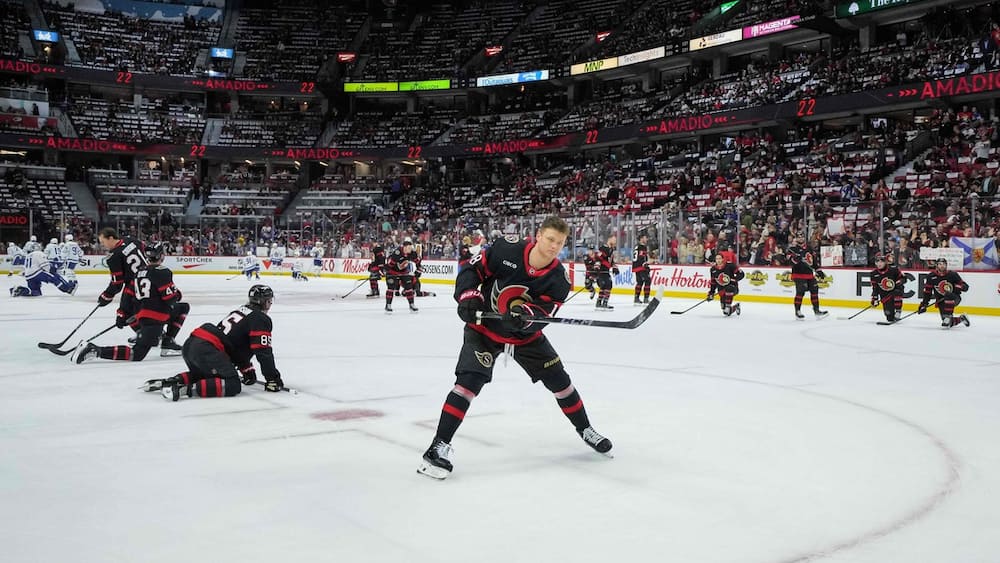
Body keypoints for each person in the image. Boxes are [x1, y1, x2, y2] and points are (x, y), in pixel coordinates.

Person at [417, 216, 612, 480]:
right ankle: (438, 446)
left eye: (561, 242)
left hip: (525, 339)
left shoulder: (559, 279)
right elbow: (472, 270)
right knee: (468, 383)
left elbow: (545, 312)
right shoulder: (506, 249)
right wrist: (467, 295)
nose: (554, 246)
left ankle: (586, 429)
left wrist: (526, 316)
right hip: (484, 329)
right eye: (551, 239)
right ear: (539, 235)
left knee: (561, 383)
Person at [144, 285, 286, 401]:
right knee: (232, 384)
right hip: (207, 349)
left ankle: (171, 381)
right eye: (269, 300)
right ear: (265, 302)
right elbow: (263, 351)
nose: (270, 304)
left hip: (194, 344)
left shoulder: (241, 310)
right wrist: (272, 379)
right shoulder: (260, 318)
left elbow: (230, 340)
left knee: (209, 376)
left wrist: (246, 369)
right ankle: (184, 390)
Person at [75, 243, 188, 362]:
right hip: (155, 319)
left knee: (183, 307)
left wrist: (122, 314)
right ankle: (95, 350)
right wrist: (178, 294)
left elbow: (128, 295)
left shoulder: (139, 272)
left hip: (141, 315)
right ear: (161, 256)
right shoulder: (163, 272)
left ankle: (167, 341)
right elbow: (170, 298)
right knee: (137, 354)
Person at [95, 227, 148, 330]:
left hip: (134, 285)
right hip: (150, 278)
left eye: (103, 242)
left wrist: (106, 296)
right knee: (148, 308)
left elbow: (117, 284)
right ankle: (155, 334)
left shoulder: (113, 256)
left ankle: (143, 335)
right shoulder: (131, 240)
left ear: (110, 238)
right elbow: (143, 247)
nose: (103, 245)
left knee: (126, 313)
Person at [918, 258, 970, 328]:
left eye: (944, 264)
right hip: (941, 301)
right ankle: (961, 318)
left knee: (948, 295)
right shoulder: (931, 276)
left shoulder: (953, 274)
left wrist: (959, 287)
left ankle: (948, 316)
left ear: (946, 265)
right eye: (940, 264)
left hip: (954, 298)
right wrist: (924, 304)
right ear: (936, 265)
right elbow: (927, 292)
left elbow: (966, 287)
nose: (942, 266)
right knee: (947, 323)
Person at [788, 235, 827, 319]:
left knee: (814, 290)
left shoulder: (809, 249)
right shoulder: (792, 249)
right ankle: (798, 311)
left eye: (802, 236)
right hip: (798, 274)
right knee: (801, 291)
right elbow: (789, 262)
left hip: (809, 274)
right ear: (796, 238)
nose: (800, 238)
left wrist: (818, 270)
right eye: (799, 236)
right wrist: (796, 259)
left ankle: (816, 310)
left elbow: (814, 262)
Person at [9, 250, 77, 297]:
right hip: (36, 273)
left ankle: (19, 290)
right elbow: (46, 267)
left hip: (28, 276)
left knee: (36, 293)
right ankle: (67, 289)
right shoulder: (40, 254)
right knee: (53, 278)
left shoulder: (29, 255)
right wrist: (54, 270)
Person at [384, 238, 419, 313]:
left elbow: (418, 262)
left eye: (411, 247)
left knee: (409, 287)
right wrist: (386, 271)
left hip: (404, 272)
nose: (410, 249)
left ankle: (412, 304)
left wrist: (419, 270)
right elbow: (391, 264)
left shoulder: (412, 253)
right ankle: (388, 305)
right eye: (408, 248)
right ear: (404, 247)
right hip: (393, 271)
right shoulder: (397, 252)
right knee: (391, 288)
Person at [869, 252, 905, 323]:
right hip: (885, 295)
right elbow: (875, 287)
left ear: (885, 262)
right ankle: (891, 315)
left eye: (881, 261)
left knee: (897, 292)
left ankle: (898, 310)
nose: (879, 263)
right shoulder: (873, 274)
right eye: (877, 261)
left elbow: (903, 278)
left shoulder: (893, 269)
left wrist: (899, 282)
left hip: (895, 291)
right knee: (889, 317)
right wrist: (874, 298)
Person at [594, 235, 619, 310]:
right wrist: (597, 267)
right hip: (602, 270)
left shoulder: (611, 249)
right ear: (609, 239)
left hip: (606, 270)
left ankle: (599, 302)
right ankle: (604, 302)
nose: (615, 241)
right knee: (608, 285)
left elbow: (611, 261)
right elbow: (598, 258)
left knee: (604, 286)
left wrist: (615, 268)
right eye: (614, 239)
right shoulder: (603, 248)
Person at [632, 234, 651, 305]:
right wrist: (645, 265)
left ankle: (636, 298)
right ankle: (646, 298)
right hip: (641, 267)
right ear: (641, 238)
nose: (647, 239)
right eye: (646, 237)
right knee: (648, 280)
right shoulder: (642, 247)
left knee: (639, 282)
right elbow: (641, 257)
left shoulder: (637, 246)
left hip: (636, 266)